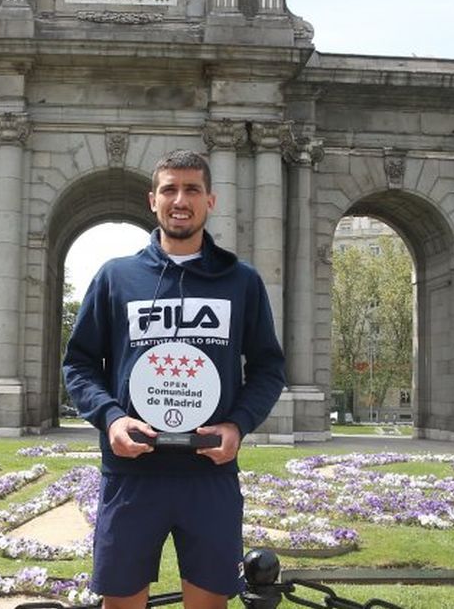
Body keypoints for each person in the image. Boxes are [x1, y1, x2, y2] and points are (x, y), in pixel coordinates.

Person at [63, 149, 287, 609]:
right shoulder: (114, 277)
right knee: (121, 603)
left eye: (192, 190)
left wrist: (238, 424)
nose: (179, 199)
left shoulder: (241, 282)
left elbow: (268, 368)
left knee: (208, 604)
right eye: (169, 189)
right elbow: (79, 364)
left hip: (209, 473)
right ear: (152, 200)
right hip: (132, 472)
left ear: (211, 201)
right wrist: (110, 419)